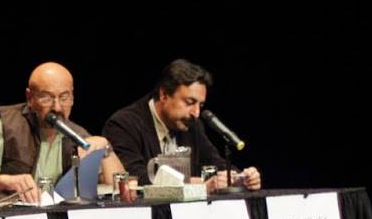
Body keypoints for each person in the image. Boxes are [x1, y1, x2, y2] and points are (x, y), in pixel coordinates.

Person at [0, 61, 123, 203]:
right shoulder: (0, 126)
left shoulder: (78, 135)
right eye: (46, 98)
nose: (57, 107)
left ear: (73, 98)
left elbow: (119, 191)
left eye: (64, 97)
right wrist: (5, 182)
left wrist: (106, 149)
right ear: (30, 98)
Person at [102, 59, 261, 191]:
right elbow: (137, 181)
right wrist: (200, 186)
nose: (196, 113)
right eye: (190, 102)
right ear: (164, 95)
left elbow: (216, 164)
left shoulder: (192, 125)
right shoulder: (123, 125)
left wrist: (241, 178)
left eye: (201, 105)